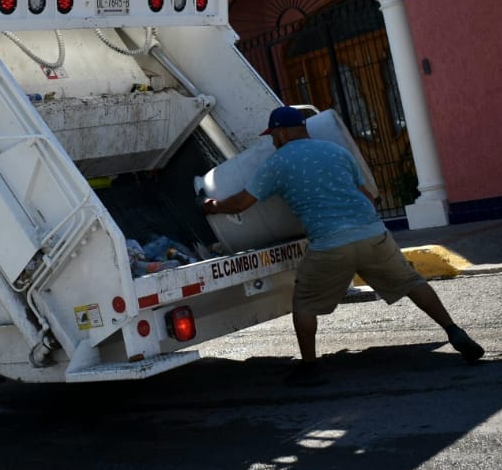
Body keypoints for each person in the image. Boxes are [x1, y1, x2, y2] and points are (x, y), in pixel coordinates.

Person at [202, 105, 484, 385]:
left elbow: (242, 202)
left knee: (304, 302)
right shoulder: (336, 151)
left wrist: (214, 206)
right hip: (373, 233)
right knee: (411, 282)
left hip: (330, 243)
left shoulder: (278, 162)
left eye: (273, 135)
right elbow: (366, 194)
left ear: (283, 132)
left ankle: (310, 367)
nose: (272, 141)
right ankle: (454, 330)